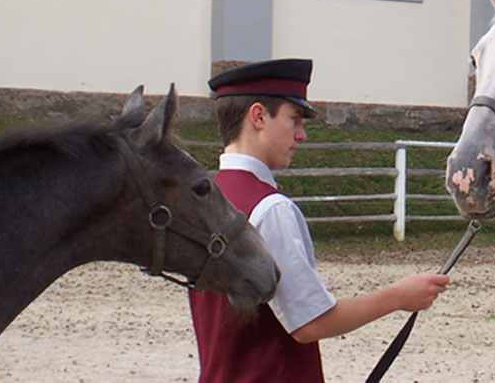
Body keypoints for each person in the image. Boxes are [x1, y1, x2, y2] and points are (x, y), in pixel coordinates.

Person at [189, 58, 449, 382]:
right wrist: (398, 296)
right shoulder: (270, 209)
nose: (301, 135)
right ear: (258, 116)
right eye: (294, 119)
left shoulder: (207, 199)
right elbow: (309, 322)